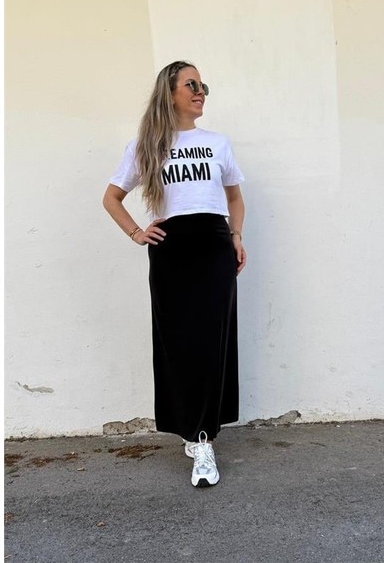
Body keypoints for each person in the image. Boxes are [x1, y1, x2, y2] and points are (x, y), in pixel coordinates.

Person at [103, 60, 246, 487]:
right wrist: (136, 232)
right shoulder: (145, 146)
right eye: (191, 84)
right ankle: (192, 431)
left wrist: (236, 236)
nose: (200, 91)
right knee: (178, 342)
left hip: (214, 245)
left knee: (213, 340)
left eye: (203, 85)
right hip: (172, 249)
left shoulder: (217, 143)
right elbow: (111, 197)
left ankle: (204, 436)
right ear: (169, 93)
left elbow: (235, 198)